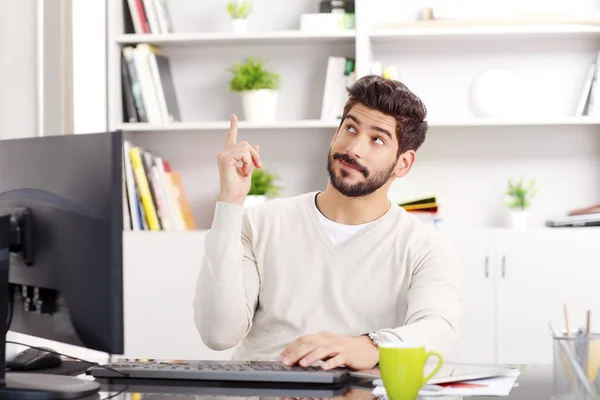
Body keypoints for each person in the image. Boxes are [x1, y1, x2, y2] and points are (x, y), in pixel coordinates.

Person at [193, 75, 462, 371]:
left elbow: (439, 330)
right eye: (350, 128)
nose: (354, 148)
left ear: (403, 163)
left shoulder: (425, 248)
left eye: (377, 140)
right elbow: (218, 334)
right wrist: (230, 201)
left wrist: (369, 345)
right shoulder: (260, 223)